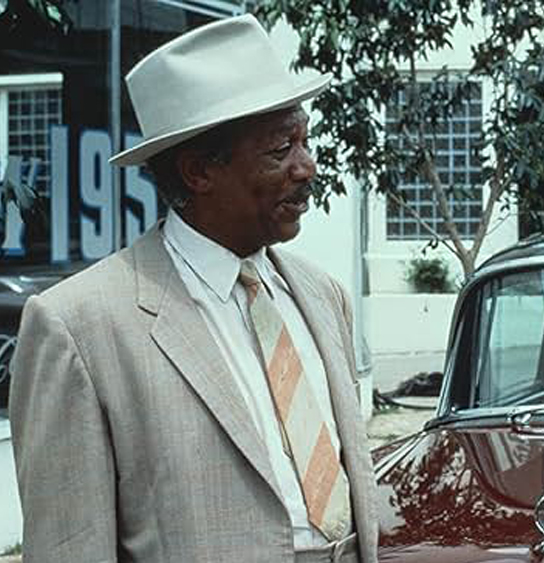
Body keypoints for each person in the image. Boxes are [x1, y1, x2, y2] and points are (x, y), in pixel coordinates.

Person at [9, 15, 377, 563]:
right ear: (198, 172)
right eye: (281, 149)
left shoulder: (322, 295)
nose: (307, 167)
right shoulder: (80, 328)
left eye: (305, 141)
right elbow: (70, 545)